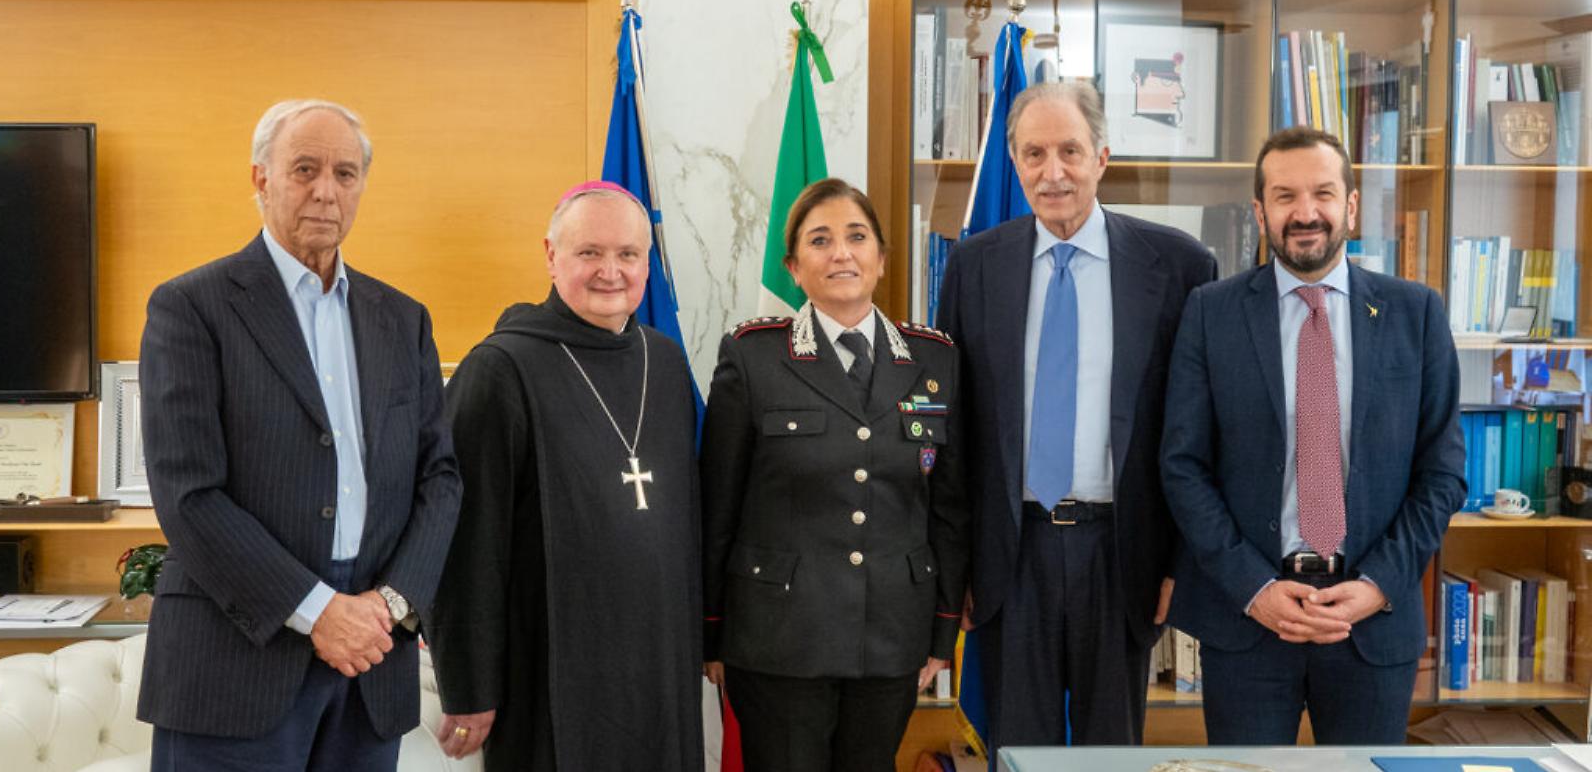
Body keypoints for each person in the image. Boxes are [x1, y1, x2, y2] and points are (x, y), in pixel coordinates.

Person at [136, 99, 462, 770]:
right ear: (260, 179)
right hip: (238, 659)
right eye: (304, 169)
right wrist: (319, 613)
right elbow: (189, 494)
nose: (325, 190)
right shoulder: (191, 308)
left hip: (371, 660)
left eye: (345, 173)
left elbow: (440, 477)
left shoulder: (403, 319)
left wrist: (388, 605)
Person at [1160, 126, 1465, 744]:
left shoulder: (1417, 312)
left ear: (1351, 205)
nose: (1305, 213)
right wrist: (1256, 588)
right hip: (1249, 621)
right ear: (1259, 211)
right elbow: (1182, 466)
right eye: (1284, 196)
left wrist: (1376, 586)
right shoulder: (1209, 312)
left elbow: (1443, 474)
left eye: (1323, 193)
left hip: (1369, 625)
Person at [936, 80, 1217, 751]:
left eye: (1070, 150)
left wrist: (1181, 561)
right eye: (1034, 154)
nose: (1052, 171)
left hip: (1122, 552)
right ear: (1014, 163)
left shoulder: (1178, 266)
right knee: (1019, 750)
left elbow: (1197, 429)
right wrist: (958, 567)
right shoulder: (974, 266)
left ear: (1103, 157)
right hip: (1012, 554)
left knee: (1110, 753)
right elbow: (953, 430)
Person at [424, 182, 703, 771]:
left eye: (628, 254)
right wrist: (469, 686)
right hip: (548, 665)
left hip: (658, 664)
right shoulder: (500, 369)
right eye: (589, 253)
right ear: (551, 257)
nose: (611, 272)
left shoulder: (667, 363)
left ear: (647, 264)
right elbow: (465, 540)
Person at [700, 177, 968, 772]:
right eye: (820, 241)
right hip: (778, 639)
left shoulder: (934, 358)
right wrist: (712, 631)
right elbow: (718, 505)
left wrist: (940, 633)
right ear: (794, 267)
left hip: (894, 634)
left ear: (880, 258)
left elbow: (948, 507)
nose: (841, 252)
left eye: (856, 236)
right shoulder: (752, 355)